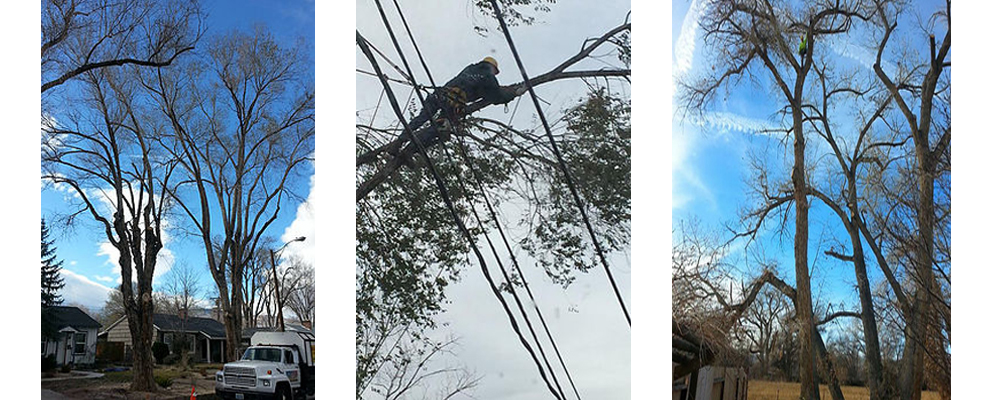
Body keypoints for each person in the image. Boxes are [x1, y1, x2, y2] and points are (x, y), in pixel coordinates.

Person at [391, 56, 524, 158]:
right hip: (452, 104)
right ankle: (409, 151)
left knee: (421, 119)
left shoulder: (470, 68)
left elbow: (473, 86)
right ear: (493, 68)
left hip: (439, 94)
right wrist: (513, 94)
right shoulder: (488, 77)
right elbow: (495, 96)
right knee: (438, 131)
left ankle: (399, 142)